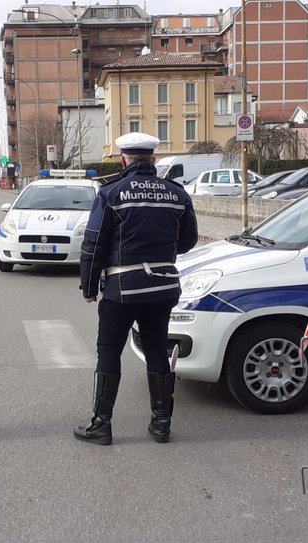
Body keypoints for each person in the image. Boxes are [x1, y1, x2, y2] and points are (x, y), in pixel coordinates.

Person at [74, 132, 198, 446]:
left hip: (122, 290)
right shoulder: (177, 194)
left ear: (123, 160)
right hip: (163, 288)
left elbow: (93, 243)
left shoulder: (111, 193)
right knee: (156, 349)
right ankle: (161, 425)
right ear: (153, 159)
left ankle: (101, 425)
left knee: (109, 351)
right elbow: (188, 241)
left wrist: (89, 286)